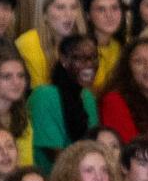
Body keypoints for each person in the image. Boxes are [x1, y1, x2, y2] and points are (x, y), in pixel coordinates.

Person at [28, 33, 101, 172]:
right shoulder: (44, 96)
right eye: (79, 58)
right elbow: (56, 157)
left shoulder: (88, 98)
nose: (89, 64)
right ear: (64, 60)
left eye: (93, 58)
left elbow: (93, 147)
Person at [16, 0, 86, 88]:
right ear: (44, 14)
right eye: (60, 7)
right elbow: (39, 93)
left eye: (73, 7)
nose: (69, 14)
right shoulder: (29, 42)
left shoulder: (82, 44)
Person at [85, 0, 127, 89]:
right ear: (88, 15)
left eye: (115, 8)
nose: (109, 15)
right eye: (101, 9)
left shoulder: (122, 47)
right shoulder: (80, 50)